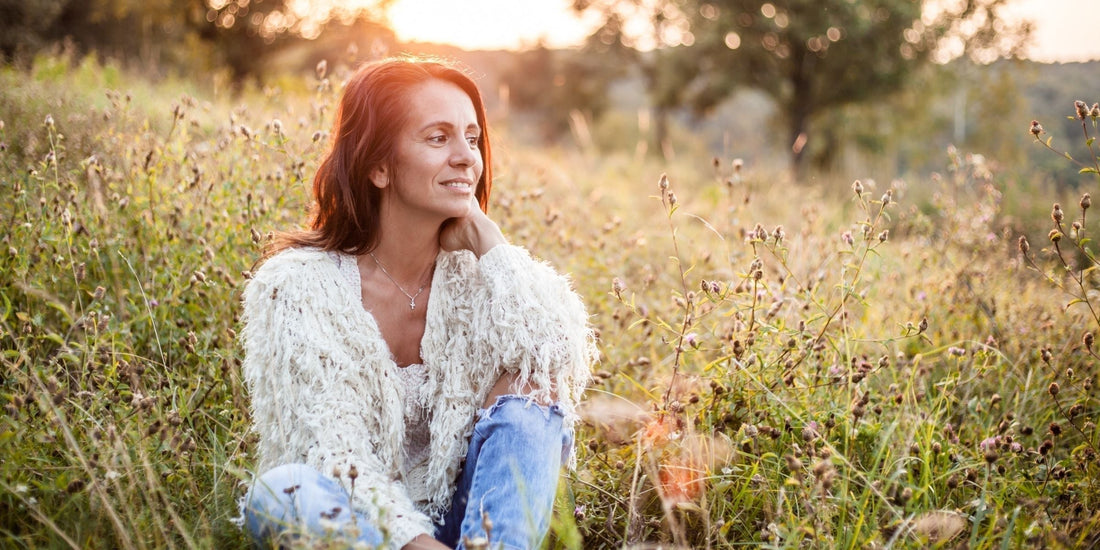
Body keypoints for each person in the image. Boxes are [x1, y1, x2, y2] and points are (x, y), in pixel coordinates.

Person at [238, 56, 597, 550]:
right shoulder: (298, 286)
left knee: (534, 388)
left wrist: (490, 243)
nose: (467, 157)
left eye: (472, 138)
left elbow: (557, 359)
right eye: (438, 138)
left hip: (475, 527)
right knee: (281, 493)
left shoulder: (481, 276)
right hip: (366, 530)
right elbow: (334, 455)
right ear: (378, 166)